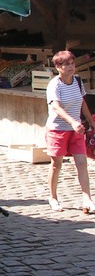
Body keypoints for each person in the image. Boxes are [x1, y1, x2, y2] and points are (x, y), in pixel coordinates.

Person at [44, 50, 95, 213]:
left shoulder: (77, 82)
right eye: (66, 64)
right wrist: (72, 122)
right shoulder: (55, 84)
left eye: (72, 63)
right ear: (58, 67)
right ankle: (53, 197)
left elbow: (82, 103)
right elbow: (56, 107)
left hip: (76, 130)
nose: (71, 67)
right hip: (58, 130)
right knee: (56, 165)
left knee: (81, 163)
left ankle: (87, 199)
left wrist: (91, 122)